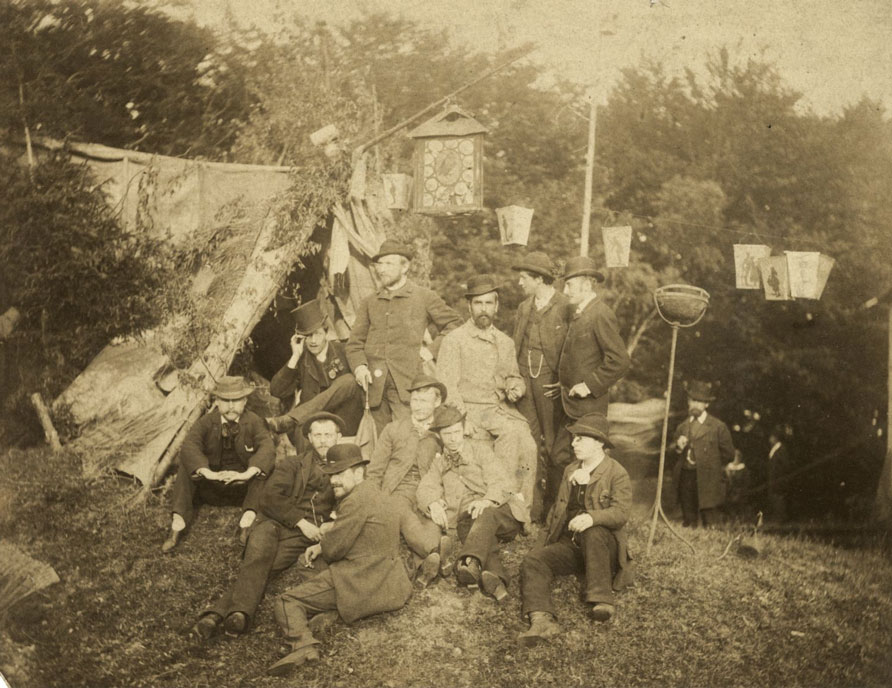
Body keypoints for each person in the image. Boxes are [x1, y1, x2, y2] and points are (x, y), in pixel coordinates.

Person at [188, 412, 342, 639]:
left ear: (338, 437)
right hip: (273, 522)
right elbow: (269, 497)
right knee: (258, 558)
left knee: (264, 566)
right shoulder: (293, 464)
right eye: (317, 435)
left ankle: (217, 615)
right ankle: (238, 614)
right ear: (309, 437)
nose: (323, 440)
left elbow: (347, 503)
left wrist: (329, 525)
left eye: (328, 435)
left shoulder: (344, 469)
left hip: (303, 537)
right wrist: (300, 522)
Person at [268, 444, 412, 676]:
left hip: (362, 583)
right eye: (331, 474)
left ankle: (303, 645)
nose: (334, 480)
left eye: (340, 474)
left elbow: (334, 551)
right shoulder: (375, 492)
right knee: (308, 561)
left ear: (358, 472)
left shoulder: (354, 501)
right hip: (391, 582)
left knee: (286, 602)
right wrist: (323, 543)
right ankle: (332, 612)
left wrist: (324, 542)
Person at [518, 413, 633, 646]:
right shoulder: (570, 469)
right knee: (533, 561)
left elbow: (621, 513)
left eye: (581, 438)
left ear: (599, 443)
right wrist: (541, 547)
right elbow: (556, 512)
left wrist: (591, 517)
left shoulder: (616, 472)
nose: (573, 444)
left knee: (593, 531)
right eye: (574, 438)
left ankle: (602, 600)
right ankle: (541, 619)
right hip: (570, 545)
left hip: (603, 548)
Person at [435, 274, 538, 508]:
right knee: (503, 439)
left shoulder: (505, 342)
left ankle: (521, 511)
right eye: (478, 303)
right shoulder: (455, 340)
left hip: (500, 410)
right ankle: (498, 505)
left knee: (528, 445)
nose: (484, 309)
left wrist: (516, 387)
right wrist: (461, 419)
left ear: (497, 306)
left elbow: (513, 376)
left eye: (488, 303)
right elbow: (446, 386)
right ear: (469, 306)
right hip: (470, 410)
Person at [345, 239, 461, 432]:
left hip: (408, 386)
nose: (382, 269)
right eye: (379, 264)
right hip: (374, 387)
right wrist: (359, 368)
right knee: (380, 444)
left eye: (389, 263)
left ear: (405, 266)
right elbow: (354, 343)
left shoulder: (423, 297)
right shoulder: (370, 302)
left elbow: (455, 325)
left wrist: (429, 352)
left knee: (408, 437)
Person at [416, 405, 530, 602]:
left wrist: (486, 500)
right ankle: (494, 579)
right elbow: (425, 487)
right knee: (472, 528)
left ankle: (468, 560)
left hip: (502, 513)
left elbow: (502, 482)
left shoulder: (480, 450)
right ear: (440, 436)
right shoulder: (440, 462)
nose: (453, 438)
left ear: (463, 429)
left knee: (484, 514)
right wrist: (432, 503)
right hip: (470, 522)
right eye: (447, 434)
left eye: (457, 432)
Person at [547, 256, 630, 511]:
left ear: (586, 284)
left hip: (588, 407)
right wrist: (563, 383)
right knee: (560, 456)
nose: (565, 290)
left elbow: (620, 361)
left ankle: (590, 514)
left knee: (585, 461)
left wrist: (589, 385)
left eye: (569, 285)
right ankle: (562, 515)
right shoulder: (578, 313)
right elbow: (581, 357)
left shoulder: (600, 314)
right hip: (569, 402)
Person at [162, 376, 275, 552]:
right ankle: (178, 523)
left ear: (245, 401)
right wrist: (208, 473)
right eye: (225, 400)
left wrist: (246, 474)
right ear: (217, 401)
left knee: (264, 470)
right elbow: (189, 445)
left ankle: (247, 519)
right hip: (212, 486)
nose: (231, 406)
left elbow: (267, 447)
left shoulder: (254, 421)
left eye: (236, 400)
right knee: (187, 465)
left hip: (242, 489)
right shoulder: (206, 422)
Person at [366, 374, 450, 586]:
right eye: (415, 400)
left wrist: (438, 498)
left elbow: (449, 469)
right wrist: (372, 497)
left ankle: (427, 561)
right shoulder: (393, 428)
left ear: (437, 402)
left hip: (428, 490)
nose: (418, 406)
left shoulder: (443, 432)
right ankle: (437, 556)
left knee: (432, 521)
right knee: (403, 514)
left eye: (424, 401)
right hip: (398, 490)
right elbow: (375, 469)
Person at [511, 251, 571, 521]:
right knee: (528, 443)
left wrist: (565, 381)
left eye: (524, 278)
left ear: (539, 279)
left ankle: (554, 510)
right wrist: (514, 377)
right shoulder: (524, 307)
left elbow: (575, 350)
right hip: (525, 382)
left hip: (551, 384)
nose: (519, 282)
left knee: (555, 448)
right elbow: (516, 345)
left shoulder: (566, 306)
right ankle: (530, 510)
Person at [266, 299, 364, 448]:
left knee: (349, 380)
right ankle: (305, 469)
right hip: (310, 422)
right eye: (308, 336)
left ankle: (292, 418)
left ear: (326, 332)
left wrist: (297, 416)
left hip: (342, 419)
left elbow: (355, 386)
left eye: (317, 334)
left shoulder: (344, 350)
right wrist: (295, 356)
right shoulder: (302, 358)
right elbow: (277, 390)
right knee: (301, 431)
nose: (313, 341)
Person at [672, 381, 736, 527]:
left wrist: (711, 463)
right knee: (688, 519)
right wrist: (677, 445)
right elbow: (670, 453)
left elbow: (729, 454)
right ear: (688, 402)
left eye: (700, 401)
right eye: (692, 400)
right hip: (686, 477)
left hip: (708, 479)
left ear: (707, 404)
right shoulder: (682, 427)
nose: (695, 404)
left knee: (710, 520)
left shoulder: (717, 427)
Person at [766, 424, 792, 523]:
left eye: (771, 437)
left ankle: (781, 519)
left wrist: (780, 476)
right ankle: (777, 518)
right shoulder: (775, 450)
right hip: (774, 479)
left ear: (775, 438)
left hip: (779, 479)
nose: (770, 439)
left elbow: (785, 465)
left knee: (779, 498)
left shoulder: (781, 450)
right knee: (775, 497)